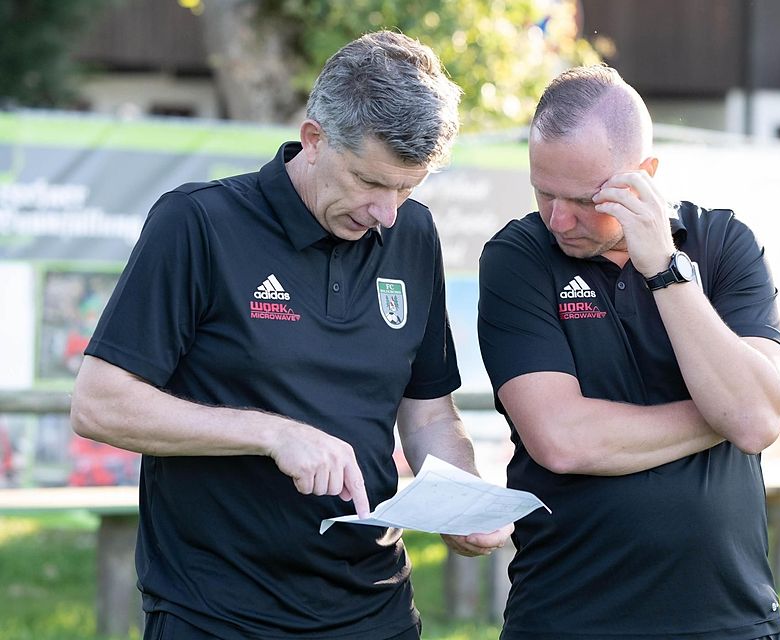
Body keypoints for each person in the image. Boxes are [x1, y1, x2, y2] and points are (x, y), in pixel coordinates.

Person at [70, 30, 511, 640]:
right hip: (217, 614)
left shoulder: (413, 233)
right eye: (370, 182)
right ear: (314, 139)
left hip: (375, 612)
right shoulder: (197, 223)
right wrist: (271, 433)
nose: (388, 212)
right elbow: (99, 403)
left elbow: (430, 414)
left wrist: (467, 500)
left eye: (408, 188)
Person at [477, 65, 780, 640]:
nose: (558, 218)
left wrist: (665, 271)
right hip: (569, 619)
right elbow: (563, 439)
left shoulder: (723, 245)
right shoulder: (519, 258)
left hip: (729, 620)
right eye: (542, 191)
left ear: (644, 176)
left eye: (582, 198)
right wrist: (731, 413)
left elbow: (754, 419)